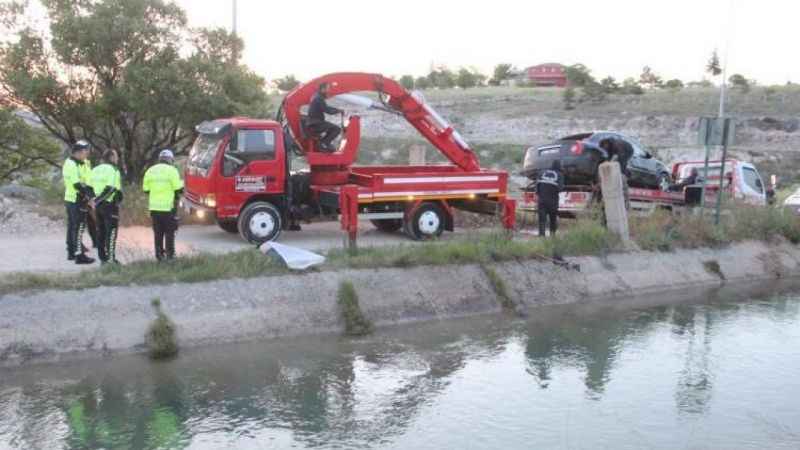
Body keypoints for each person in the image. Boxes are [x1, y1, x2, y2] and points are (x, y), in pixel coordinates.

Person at [143, 149, 184, 261]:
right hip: (168, 208)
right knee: (170, 233)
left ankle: (159, 256)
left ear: (160, 159)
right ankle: (170, 256)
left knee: (158, 233)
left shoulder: (150, 171)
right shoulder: (172, 170)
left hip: (154, 208)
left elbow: (146, 190)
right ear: (170, 159)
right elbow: (178, 189)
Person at [63, 140, 96, 264]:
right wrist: (88, 198)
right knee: (78, 227)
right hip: (75, 199)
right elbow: (77, 184)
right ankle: (79, 256)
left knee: (73, 226)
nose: (87, 153)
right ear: (80, 152)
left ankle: (72, 252)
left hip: (81, 198)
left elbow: (88, 180)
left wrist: (92, 195)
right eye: (86, 151)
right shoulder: (70, 164)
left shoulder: (84, 163)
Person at [90, 149, 124, 264]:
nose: (117, 159)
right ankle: (111, 259)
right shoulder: (113, 169)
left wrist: (94, 201)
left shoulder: (94, 169)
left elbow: (89, 188)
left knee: (101, 232)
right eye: (116, 156)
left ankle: (103, 259)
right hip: (109, 205)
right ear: (112, 157)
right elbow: (111, 188)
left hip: (97, 206)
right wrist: (101, 200)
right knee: (111, 232)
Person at [307, 82, 343, 152]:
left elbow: (326, 107)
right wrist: (338, 111)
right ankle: (324, 143)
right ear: (322, 89)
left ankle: (324, 143)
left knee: (331, 128)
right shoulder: (318, 98)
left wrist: (337, 110)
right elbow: (328, 110)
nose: (329, 91)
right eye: (328, 89)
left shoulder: (316, 96)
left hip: (314, 122)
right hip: (315, 123)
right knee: (337, 129)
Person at [536, 160, 564, 237]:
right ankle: (552, 237)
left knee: (542, 220)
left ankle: (541, 236)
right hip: (553, 201)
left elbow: (537, 187)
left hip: (542, 200)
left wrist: (540, 195)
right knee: (553, 220)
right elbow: (560, 189)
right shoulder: (560, 175)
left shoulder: (541, 173)